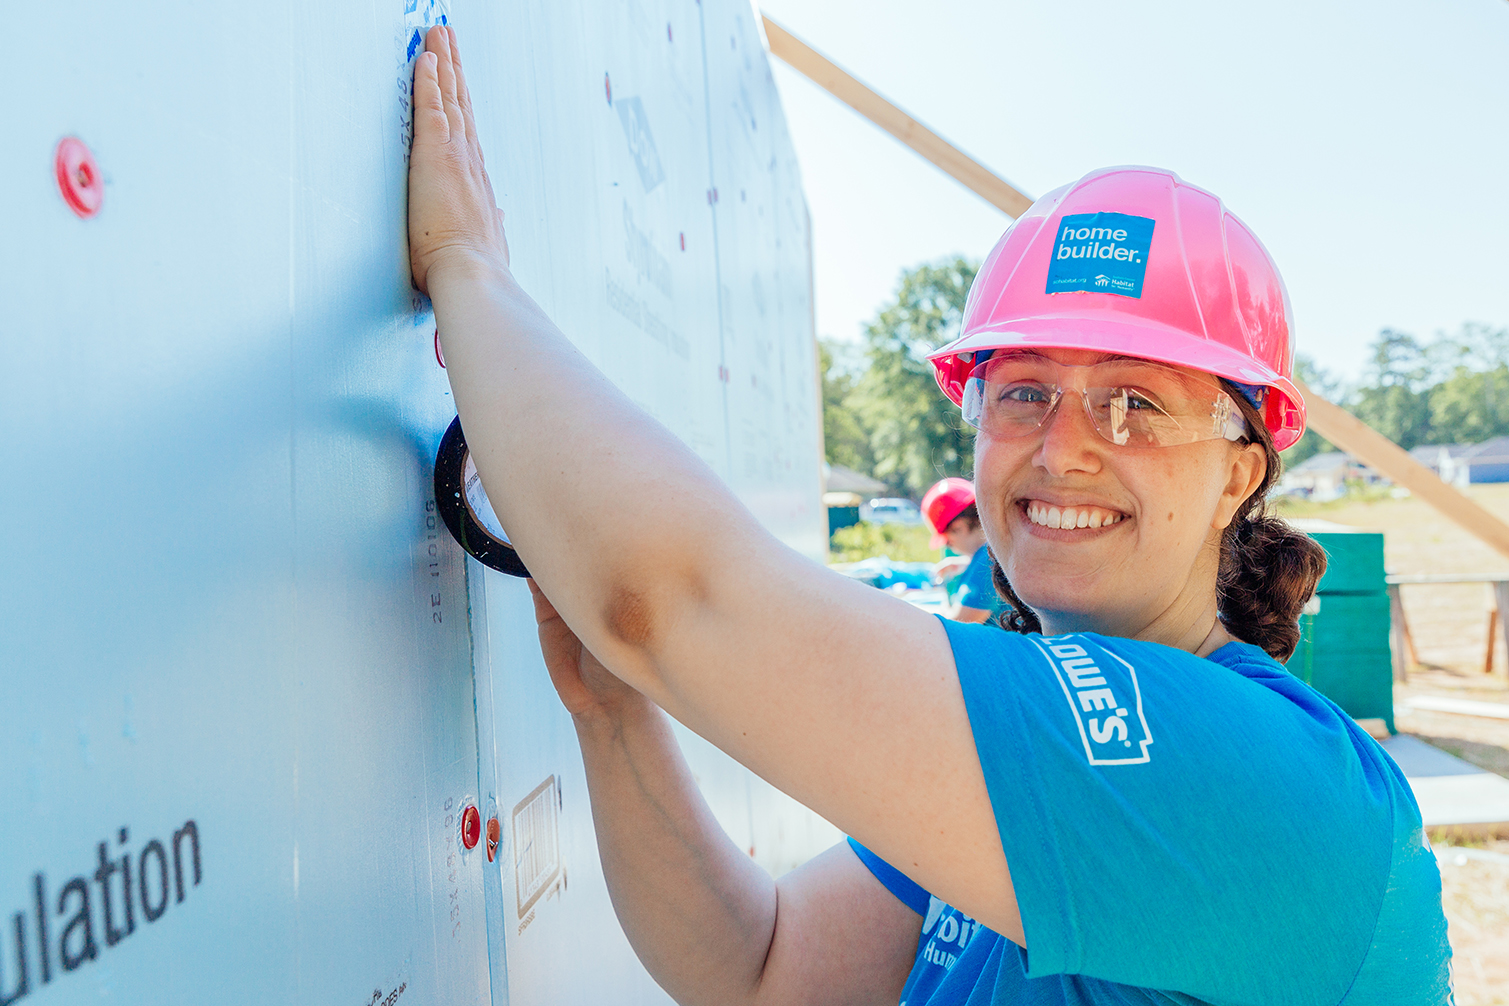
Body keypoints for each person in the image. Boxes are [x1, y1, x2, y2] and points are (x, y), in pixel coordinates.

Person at [406, 26, 1451, 1004]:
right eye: (1024, 390)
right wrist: (616, 714)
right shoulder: (1030, 752)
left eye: (1135, 402)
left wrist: (466, 269)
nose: (1064, 445)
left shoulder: (1235, 768)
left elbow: (669, 599)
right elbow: (762, 967)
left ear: (1238, 473)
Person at [922, 477, 1005, 623]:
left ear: (959, 527)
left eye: (948, 542)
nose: (950, 547)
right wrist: (966, 564)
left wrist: (943, 597)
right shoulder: (997, 550)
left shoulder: (986, 561)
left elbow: (956, 624)